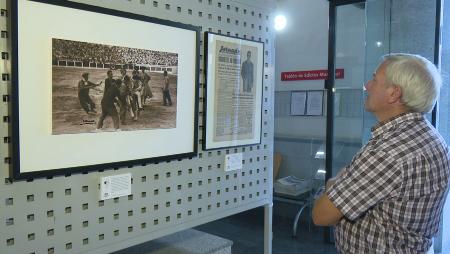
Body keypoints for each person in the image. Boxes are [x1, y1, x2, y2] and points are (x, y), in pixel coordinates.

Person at [312, 54, 449, 254]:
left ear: (394, 94)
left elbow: (321, 214)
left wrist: (334, 183)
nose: (367, 86)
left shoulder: (388, 152)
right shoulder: (431, 136)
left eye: (375, 79)